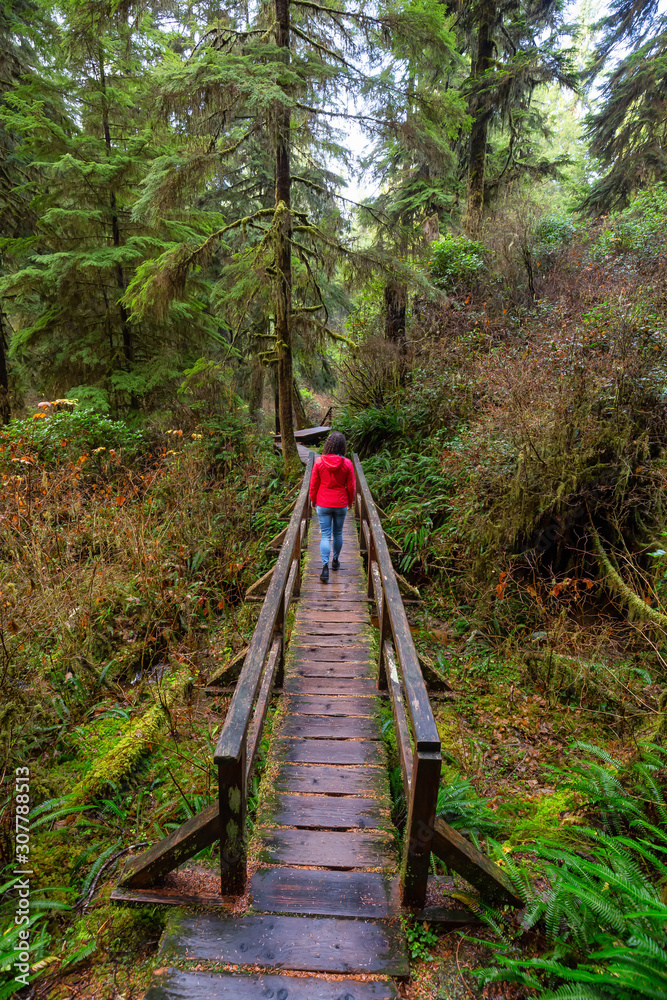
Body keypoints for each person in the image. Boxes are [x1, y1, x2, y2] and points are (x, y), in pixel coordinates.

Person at [309, 431, 355, 583]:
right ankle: (335, 561)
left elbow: (314, 484)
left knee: (325, 535)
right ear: (343, 446)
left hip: (323, 503)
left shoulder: (319, 462)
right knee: (338, 533)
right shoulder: (347, 463)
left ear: (328, 444)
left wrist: (313, 499)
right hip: (341, 503)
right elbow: (351, 486)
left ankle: (324, 568)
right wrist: (350, 501)